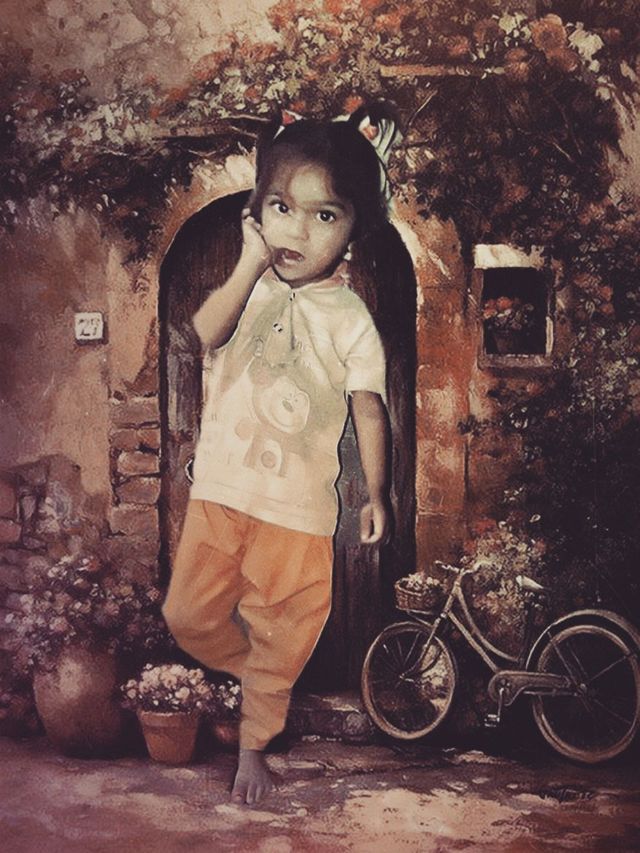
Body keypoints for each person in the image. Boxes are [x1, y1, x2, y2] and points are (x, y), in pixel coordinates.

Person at [162, 104, 398, 805]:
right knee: (187, 616)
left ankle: (253, 749)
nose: (297, 230)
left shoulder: (351, 319)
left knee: (286, 631)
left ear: (355, 230)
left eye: (325, 215)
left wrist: (377, 494)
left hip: (299, 511)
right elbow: (205, 331)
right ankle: (258, 682)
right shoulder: (250, 286)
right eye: (281, 207)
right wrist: (248, 261)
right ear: (257, 210)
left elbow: (370, 408)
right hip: (224, 491)